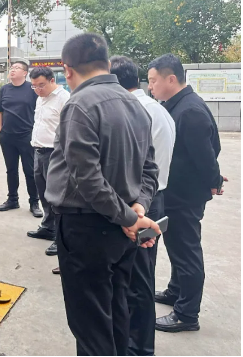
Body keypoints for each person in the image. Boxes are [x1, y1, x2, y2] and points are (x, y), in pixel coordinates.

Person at [45, 33, 161, 356]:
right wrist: (138, 208)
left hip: (86, 229)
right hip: (121, 231)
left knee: (91, 325)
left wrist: (130, 217)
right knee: (116, 311)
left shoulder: (79, 105)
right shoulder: (135, 105)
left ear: (67, 70)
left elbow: (87, 178)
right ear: (107, 64)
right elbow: (150, 169)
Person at [147, 53, 225, 333]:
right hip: (176, 191)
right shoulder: (177, 105)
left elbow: (207, 155)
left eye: (153, 81)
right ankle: (175, 291)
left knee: (186, 251)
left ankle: (187, 314)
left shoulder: (189, 110)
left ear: (171, 79)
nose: (150, 87)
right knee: (176, 247)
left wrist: (214, 180)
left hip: (184, 196)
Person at [111, 56, 176, 355]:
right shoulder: (158, 109)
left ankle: (137, 348)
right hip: (153, 197)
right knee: (142, 277)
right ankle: (140, 345)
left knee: (135, 282)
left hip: (139, 205)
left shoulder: (131, 110)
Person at [26, 66, 70, 262]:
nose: (38, 90)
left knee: (57, 197)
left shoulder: (64, 99)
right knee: (43, 193)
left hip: (55, 153)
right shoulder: (40, 98)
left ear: (53, 80)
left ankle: (59, 238)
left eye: (41, 85)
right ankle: (47, 227)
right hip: (38, 151)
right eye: (34, 86)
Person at [0, 61, 40, 216]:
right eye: (12, 68)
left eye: (17, 68)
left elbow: (39, 110)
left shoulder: (32, 89)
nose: (12, 70)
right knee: (11, 170)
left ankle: (34, 202)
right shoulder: (5, 89)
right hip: (7, 137)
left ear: (25, 73)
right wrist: (0, 131)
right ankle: (12, 199)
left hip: (27, 136)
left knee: (30, 170)